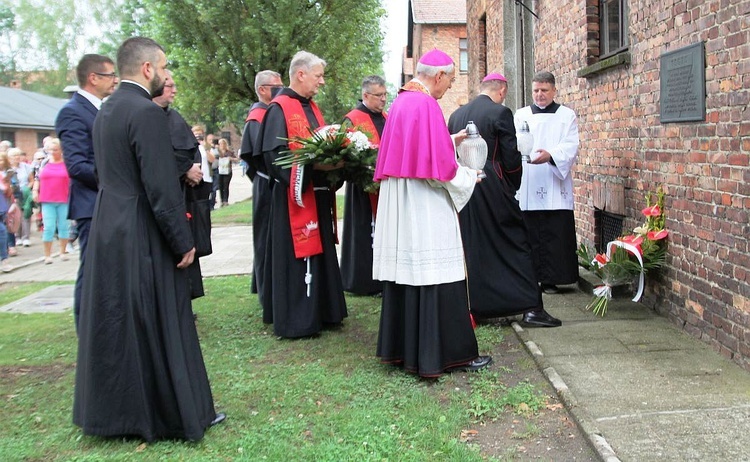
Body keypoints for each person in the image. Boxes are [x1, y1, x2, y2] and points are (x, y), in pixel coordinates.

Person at [73, 36, 223, 442]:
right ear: (147, 69)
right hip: (142, 229)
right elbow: (160, 188)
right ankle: (172, 414)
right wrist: (182, 240)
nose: (164, 73)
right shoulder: (145, 113)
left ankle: (120, 414)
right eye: (163, 66)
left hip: (111, 226)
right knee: (160, 319)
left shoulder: (106, 110)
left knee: (121, 320)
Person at [372, 49, 492, 378]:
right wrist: (471, 176)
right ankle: (449, 355)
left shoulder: (402, 101)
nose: (447, 88)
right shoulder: (425, 104)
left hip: (403, 201)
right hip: (423, 205)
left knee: (411, 273)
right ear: (437, 76)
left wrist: (447, 140)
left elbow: (419, 150)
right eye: (450, 81)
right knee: (437, 269)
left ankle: (404, 352)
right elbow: (439, 171)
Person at [448, 73, 561, 327]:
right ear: (501, 91)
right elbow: (510, 157)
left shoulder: (456, 115)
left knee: (474, 244)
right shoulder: (500, 113)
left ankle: (479, 306)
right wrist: (511, 185)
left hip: (463, 186)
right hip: (491, 184)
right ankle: (531, 307)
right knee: (517, 240)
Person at [259, 50, 347, 337]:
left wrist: (337, 162)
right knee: (298, 258)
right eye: (318, 76)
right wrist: (315, 166)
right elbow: (275, 156)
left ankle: (324, 311)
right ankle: (299, 319)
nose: (322, 82)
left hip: (317, 194)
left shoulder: (313, 107)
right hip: (293, 199)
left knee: (322, 252)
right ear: (300, 74)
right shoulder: (279, 109)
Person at [55, 53, 117, 330]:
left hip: (107, 205)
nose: (115, 80)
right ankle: (87, 328)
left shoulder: (101, 109)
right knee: (91, 272)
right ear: (94, 78)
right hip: (91, 206)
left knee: (107, 272)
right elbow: (78, 166)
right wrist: (116, 180)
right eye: (110, 75)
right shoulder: (73, 112)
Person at [515, 71, 580, 295]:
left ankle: (552, 279)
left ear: (554, 90)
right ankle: (530, 279)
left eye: (544, 90)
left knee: (554, 232)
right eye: (536, 90)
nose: (539, 95)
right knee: (530, 232)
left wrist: (551, 155)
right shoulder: (521, 114)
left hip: (555, 182)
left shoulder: (566, 115)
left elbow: (571, 145)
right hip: (530, 180)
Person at [153, 70, 208, 300]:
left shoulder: (174, 116)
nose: (174, 90)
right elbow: (156, 157)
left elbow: (190, 148)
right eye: (169, 86)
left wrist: (193, 168)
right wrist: (185, 169)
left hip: (185, 195)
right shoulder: (148, 117)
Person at [338, 75, 388, 296]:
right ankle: (361, 280)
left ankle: (383, 278)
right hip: (361, 188)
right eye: (379, 96)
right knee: (362, 233)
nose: (384, 100)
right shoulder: (352, 119)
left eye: (386, 95)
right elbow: (343, 154)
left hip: (384, 187)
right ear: (366, 95)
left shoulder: (387, 117)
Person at [239, 70, 283, 300]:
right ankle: (266, 289)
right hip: (266, 183)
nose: (281, 88)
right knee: (264, 236)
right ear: (263, 89)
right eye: (276, 85)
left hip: (270, 183)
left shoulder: (272, 112)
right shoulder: (258, 116)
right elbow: (255, 157)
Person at [31, 138, 71, 265]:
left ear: (61, 150)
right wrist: (35, 191)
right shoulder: (44, 163)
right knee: (48, 227)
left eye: (55, 150)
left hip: (63, 198)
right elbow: (37, 178)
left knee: (64, 226)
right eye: (50, 150)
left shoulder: (67, 163)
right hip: (47, 199)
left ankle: (62, 252)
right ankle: (47, 255)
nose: (52, 152)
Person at [215, 138, 237, 207]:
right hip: (219, 171)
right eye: (220, 144)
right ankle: (222, 200)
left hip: (227, 171)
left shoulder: (229, 152)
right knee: (220, 185)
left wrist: (231, 158)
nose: (221, 145)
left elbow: (236, 159)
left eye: (223, 143)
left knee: (226, 185)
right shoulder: (217, 153)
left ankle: (225, 200)